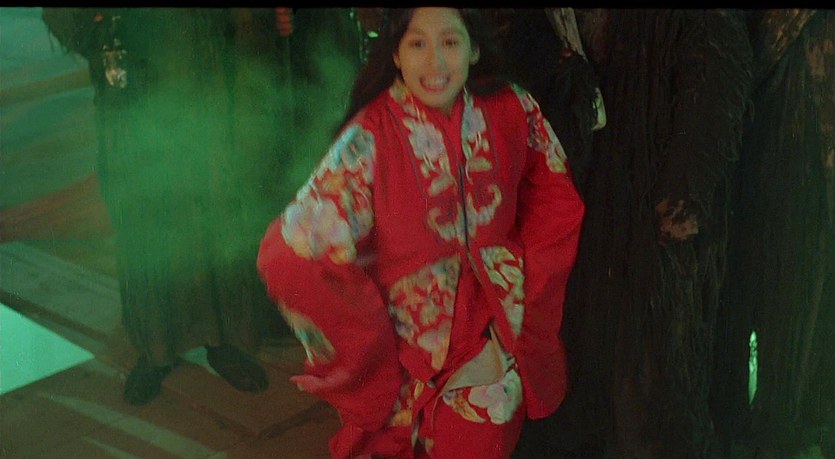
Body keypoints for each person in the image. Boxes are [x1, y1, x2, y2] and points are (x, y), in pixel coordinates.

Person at [257, 8, 585, 458]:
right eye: (417, 44)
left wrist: (526, 285)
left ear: (474, 48)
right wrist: (366, 338)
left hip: (488, 342)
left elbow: (555, 199)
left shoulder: (511, 108)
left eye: (450, 42)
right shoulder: (370, 135)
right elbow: (292, 252)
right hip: (403, 352)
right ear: (395, 53)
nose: (435, 63)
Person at [39, 7, 363, 406]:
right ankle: (155, 347)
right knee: (148, 219)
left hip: (218, 85)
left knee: (219, 216)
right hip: (138, 90)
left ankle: (223, 340)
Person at [507, 9, 753, 458]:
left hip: (655, 196)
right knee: (584, 368)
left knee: (647, 383)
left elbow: (716, 66)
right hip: (579, 196)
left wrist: (686, 186)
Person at [711, 9, 835, 457]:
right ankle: (747, 423)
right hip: (756, 159)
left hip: (795, 170)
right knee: (749, 297)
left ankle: (771, 427)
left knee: (791, 303)